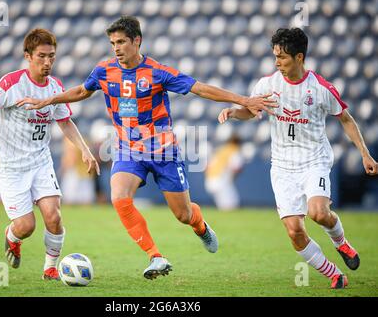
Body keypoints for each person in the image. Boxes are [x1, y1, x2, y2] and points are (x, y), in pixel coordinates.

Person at [17, 16, 277, 279]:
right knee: (118, 197)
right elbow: (81, 92)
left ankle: (200, 226)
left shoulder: (157, 72)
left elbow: (200, 89)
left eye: (121, 42)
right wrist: (49, 100)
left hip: (164, 151)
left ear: (137, 40)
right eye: (112, 43)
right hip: (129, 150)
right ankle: (156, 256)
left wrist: (243, 99)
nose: (116, 48)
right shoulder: (104, 71)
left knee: (183, 214)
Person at [218, 28, 378, 289]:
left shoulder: (321, 88)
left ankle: (341, 243)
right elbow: (251, 110)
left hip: (314, 160)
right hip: (282, 166)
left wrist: (365, 154)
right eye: (275, 57)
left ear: (299, 57)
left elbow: (346, 120)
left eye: (282, 57)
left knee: (319, 214)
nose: (277, 62)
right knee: (294, 231)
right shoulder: (267, 84)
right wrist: (234, 113)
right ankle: (335, 274)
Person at [0, 28, 99, 280]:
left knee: (54, 217)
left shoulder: (54, 86)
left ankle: (51, 269)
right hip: (10, 165)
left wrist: (85, 150)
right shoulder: (11, 83)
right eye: (42, 56)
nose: (47, 62)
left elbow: (65, 121)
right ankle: (12, 237)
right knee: (26, 226)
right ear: (28, 56)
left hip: (40, 161)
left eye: (52, 56)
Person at [205, 134, 244, 210]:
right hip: (221, 181)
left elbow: (207, 167)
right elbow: (237, 168)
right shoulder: (234, 151)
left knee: (225, 204)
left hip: (210, 181)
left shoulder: (221, 150)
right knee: (231, 205)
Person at [60, 136, 97, 205]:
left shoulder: (68, 140)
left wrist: (63, 169)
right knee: (86, 200)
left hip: (74, 172)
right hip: (86, 172)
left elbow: (71, 158)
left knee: (69, 199)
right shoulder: (84, 139)